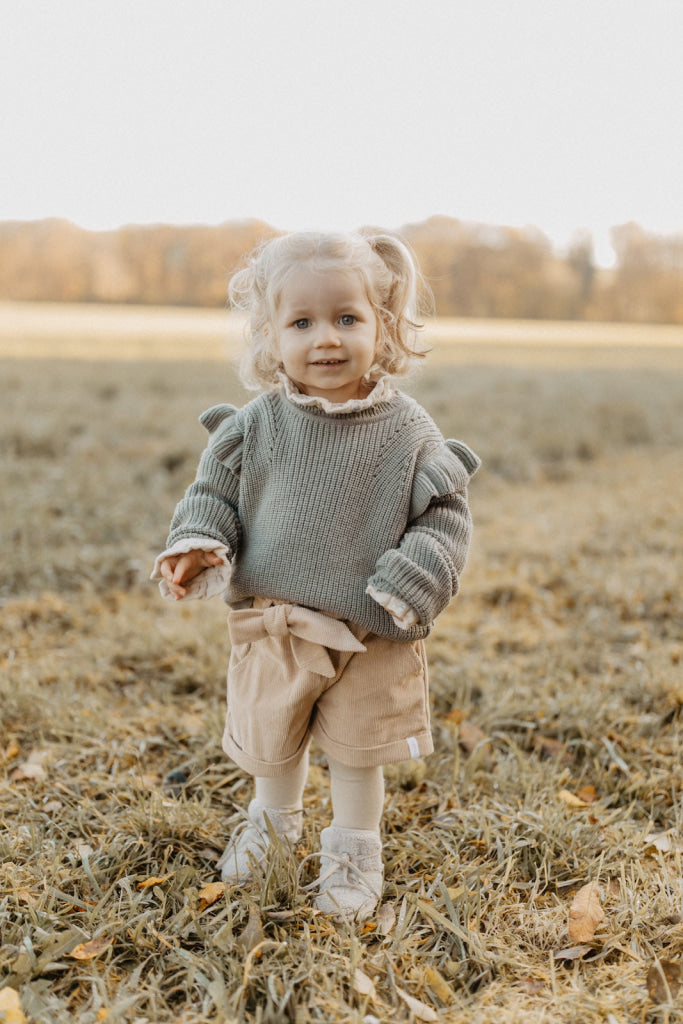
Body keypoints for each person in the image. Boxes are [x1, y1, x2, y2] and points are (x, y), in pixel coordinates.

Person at [152, 230, 480, 921]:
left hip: (370, 626)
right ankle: (273, 824)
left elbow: (445, 517)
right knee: (272, 741)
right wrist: (198, 543)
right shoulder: (257, 424)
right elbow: (214, 493)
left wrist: (410, 578)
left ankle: (355, 849)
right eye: (301, 322)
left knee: (359, 751)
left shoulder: (405, 431)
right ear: (269, 337)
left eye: (346, 319)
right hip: (277, 623)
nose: (324, 339)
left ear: (381, 326)